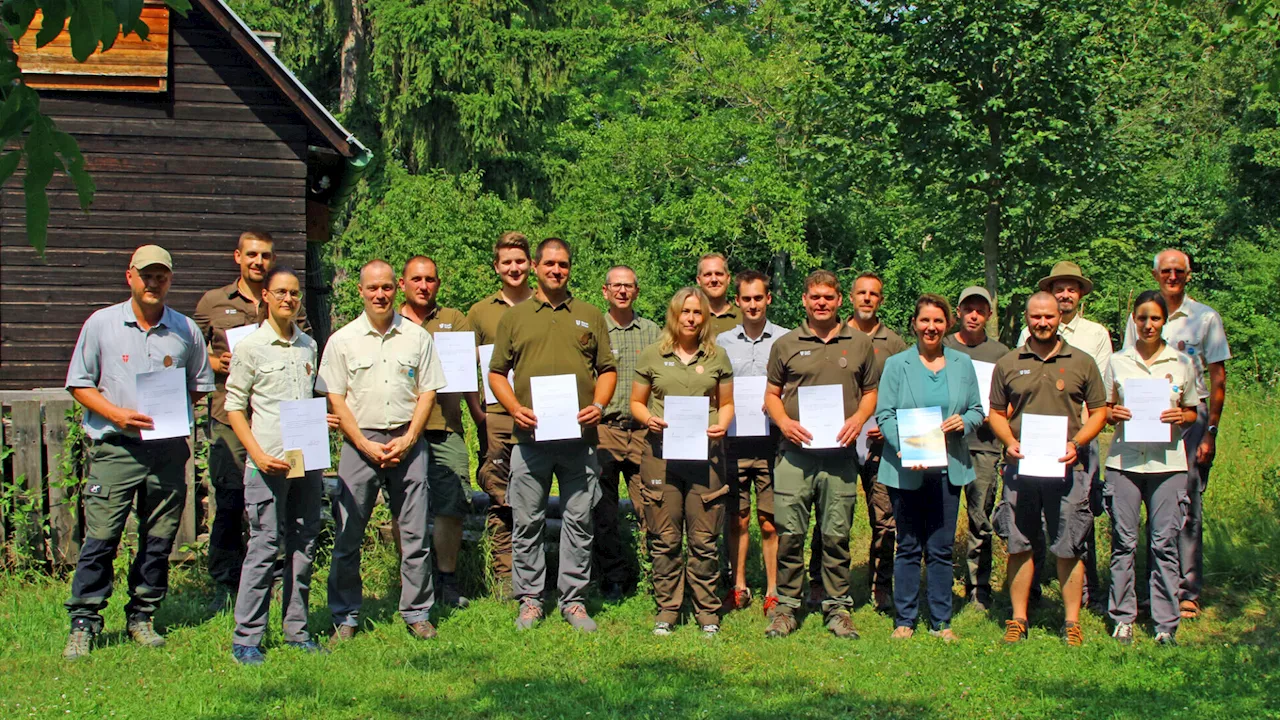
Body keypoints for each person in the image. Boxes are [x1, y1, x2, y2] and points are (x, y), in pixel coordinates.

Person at [62, 245, 215, 660]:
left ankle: (142, 616)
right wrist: (117, 414)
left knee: (159, 539)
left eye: (161, 275)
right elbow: (79, 383)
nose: (153, 282)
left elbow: (200, 385)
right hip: (116, 447)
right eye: (146, 274)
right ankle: (84, 621)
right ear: (129, 276)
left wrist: (170, 413)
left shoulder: (185, 330)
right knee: (101, 538)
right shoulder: (102, 324)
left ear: (170, 279)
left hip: (166, 450)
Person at [489, 238, 617, 632]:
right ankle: (530, 599)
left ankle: (573, 600)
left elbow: (607, 369)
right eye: (549, 264)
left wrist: (598, 405)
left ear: (569, 268)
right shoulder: (515, 317)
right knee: (527, 521)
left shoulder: (590, 314)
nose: (556, 271)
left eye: (563, 265)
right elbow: (496, 373)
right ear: (536, 267)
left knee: (579, 520)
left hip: (579, 441)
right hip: (530, 440)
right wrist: (514, 409)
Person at [318, 259, 447, 642]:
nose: (380, 294)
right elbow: (335, 397)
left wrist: (409, 439)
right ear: (360, 291)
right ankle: (345, 615)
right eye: (373, 288)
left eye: (387, 287)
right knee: (347, 534)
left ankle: (417, 612)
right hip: (360, 443)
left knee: (414, 534)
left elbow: (428, 392)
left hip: (409, 440)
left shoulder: (417, 337)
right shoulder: (342, 340)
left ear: (397, 289)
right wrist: (361, 443)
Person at [225, 267, 339, 665]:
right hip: (268, 462)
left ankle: (297, 630)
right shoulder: (251, 348)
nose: (288, 299)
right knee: (264, 546)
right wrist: (255, 454)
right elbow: (234, 407)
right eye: (280, 293)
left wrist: (318, 417)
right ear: (265, 299)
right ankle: (247, 638)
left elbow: (304, 399)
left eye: (293, 293)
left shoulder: (309, 345)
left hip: (304, 462)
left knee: (304, 544)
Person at [762, 270, 879, 639]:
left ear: (839, 300)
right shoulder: (785, 343)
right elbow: (771, 395)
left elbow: (871, 391)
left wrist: (859, 418)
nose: (822, 303)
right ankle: (786, 607)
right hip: (795, 454)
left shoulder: (859, 343)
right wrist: (783, 422)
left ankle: (838, 608)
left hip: (839, 455)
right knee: (791, 532)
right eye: (815, 297)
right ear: (804, 300)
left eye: (828, 297)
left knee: (835, 534)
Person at [194, 230, 308, 611]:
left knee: (284, 502)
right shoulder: (214, 303)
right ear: (238, 257)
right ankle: (226, 582)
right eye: (252, 255)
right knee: (229, 500)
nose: (259, 262)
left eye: (266, 256)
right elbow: (192, 356)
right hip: (232, 417)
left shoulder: (288, 302)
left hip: (281, 421)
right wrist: (217, 363)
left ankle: (275, 579)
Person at [990, 292, 1108, 647]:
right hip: (1021, 466)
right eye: (1035, 317)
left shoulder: (1082, 362)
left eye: (1049, 317)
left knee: (1069, 544)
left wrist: (1078, 443)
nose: (1042, 323)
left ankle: (1071, 621)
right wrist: (1009, 441)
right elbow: (996, 412)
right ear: (1026, 318)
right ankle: (1018, 618)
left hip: (1068, 467)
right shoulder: (1009, 362)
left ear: (1060, 317)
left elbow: (1100, 410)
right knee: (1019, 542)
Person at [1123, 249, 1230, 621]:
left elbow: (1217, 379)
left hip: (1188, 418)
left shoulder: (1205, 318)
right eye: (1165, 271)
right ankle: (1146, 590)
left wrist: (1209, 432)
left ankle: (1186, 590)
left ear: (1188, 275)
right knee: (1143, 504)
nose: (1172, 276)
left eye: (1178, 271)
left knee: (1186, 506)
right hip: (1142, 419)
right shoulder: (1138, 314)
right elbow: (1126, 369)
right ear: (1155, 274)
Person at [875, 294, 984, 641]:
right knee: (907, 544)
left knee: (939, 546)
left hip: (948, 466)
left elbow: (978, 411)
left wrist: (963, 423)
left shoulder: (962, 364)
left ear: (948, 324)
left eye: (938, 321)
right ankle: (904, 619)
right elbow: (884, 414)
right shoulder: (897, 364)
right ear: (914, 324)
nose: (931, 327)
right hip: (906, 467)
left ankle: (941, 621)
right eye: (925, 320)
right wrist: (907, 446)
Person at [631, 287, 735, 635]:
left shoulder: (717, 356)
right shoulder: (651, 356)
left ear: (705, 317)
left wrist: (722, 423)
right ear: (673, 315)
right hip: (662, 456)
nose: (690, 318)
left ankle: (707, 611)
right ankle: (668, 609)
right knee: (665, 537)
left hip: (706, 456)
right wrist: (647, 420)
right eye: (684, 312)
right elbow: (637, 402)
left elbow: (727, 403)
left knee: (704, 539)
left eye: (697, 313)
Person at [1017, 261, 1112, 612]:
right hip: (1034, 444)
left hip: (1078, 438)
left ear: (1080, 295)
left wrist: (1079, 439)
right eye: (1060, 288)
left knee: (1080, 515)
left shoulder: (1095, 335)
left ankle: (1089, 593)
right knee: (1034, 520)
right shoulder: (1032, 329)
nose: (1066, 294)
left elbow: (1096, 391)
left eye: (1072, 288)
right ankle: (1034, 591)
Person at [1106, 290, 1199, 647]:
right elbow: (1105, 408)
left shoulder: (1181, 362)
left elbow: (1192, 409)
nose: (1148, 325)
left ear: (1164, 322)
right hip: (1125, 463)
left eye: (1155, 318)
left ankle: (1165, 624)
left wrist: (1182, 415)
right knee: (1124, 543)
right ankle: (1123, 618)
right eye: (1142, 318)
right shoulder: (1118, 362)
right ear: (1133, 319)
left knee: (1164, 544)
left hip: (1169, 463)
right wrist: (1114, 414)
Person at [810, 271, 906, 612]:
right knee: (830, 513)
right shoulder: (834, 335)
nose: (867, 298)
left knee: (884, 517)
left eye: (874, 294)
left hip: (881, 445)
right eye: (861, 293)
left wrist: (887, 422)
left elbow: (904, 393)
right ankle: (819, 582)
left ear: (880, 300)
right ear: (848, 298)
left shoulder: (894, 343)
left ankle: (881, 585)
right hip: (836, 441)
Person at [399, 255, 486, 609]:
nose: (424, 285)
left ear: (438, 283)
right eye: (416, 279)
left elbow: (466, 375)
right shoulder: (392, 321)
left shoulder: (453, 320)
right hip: (401, 428)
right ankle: (411, 581)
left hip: (445, 426)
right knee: (404, 506)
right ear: (403, 284)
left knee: (452, 504)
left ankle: (447, 580)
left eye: (430, 279)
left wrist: (479, 416)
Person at [716, 270, 788, 615]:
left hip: (773, 442)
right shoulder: (722, 343)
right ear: (737, 302)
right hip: (734, 443)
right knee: (737, 518)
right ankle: (738, 584)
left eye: (759, 298)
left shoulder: (786, 340)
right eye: (746, 299)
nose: (753, 304)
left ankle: (773, 589)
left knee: (771, 520)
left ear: (768, 299)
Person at [468, 232, 535, 597]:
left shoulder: (544, 306)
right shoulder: (480, 312)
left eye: (520, 261)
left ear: (531, 265)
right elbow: (465, 368)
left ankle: (535, 573)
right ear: (496, 267)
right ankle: (506, 575)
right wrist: (478, 413)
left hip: (537, 416)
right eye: (506, 262)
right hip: (494, 416)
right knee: (499, 494)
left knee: (534, 494)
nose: (514, 268)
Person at [595, 265, 661, 601]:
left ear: (636, 291)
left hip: (642, 431)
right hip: (604, 430)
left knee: (649, 505)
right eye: (616, 286)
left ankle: (655, 574)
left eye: (629, 286)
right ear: (605, 291)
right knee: (603, 510)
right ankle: (613, 577)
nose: (622, 291)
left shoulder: (652, 332)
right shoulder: (594, 329)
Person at [943, 286, 1009, 610]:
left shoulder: (1001, 354)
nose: (973, 315)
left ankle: (979, 588)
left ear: (988, 315)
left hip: (984, 446)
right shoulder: (942, 346)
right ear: (958, 312)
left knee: (980, 519)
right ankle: (940, 585)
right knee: (940, 517)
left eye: (980, 310)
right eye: (968, 308)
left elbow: (1009, 403)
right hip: (942, 445)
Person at [697, 252, 741, 337]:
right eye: (708, 274)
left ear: (728, 278)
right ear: (699, 280)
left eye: (719, 274)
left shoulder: (744, 319)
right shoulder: (689, 319)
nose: (714, 279)